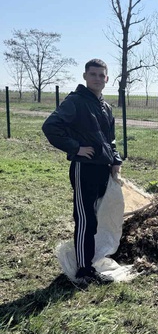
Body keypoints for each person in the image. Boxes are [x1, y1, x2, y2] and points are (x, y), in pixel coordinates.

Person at [42, 59, 122, 285]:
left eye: (101, 75)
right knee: (85, 218)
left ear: (107, 79)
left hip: (103, 169)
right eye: (93, 74)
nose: (97, 78)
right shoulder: (75, 101)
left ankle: (91, 261)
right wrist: (75, 148)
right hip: (84, 168)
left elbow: (110, 139)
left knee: (97, 217)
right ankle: (83, 271)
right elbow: (50, 126)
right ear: (85, 76)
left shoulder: (106, 107)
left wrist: (115, 160)